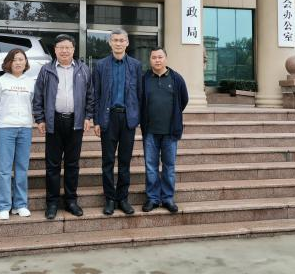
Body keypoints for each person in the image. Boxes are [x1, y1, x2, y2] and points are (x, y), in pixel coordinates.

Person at [33, 34, 94, 220]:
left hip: (76, 122)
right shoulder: (46, 70)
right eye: (61, 47)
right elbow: (38, 96)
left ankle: (71, 201)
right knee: (52, 164)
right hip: (54, 121)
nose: (65, 51)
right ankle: (52, 202)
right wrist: (40, 119)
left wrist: (88, 116)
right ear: (55, 50)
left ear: (73, 49)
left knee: (72, 164)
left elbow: (90, 96)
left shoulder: (83, 69)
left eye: (68, 47)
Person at [92, 29, 142, 216]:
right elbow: (96, 94)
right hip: (108, 118)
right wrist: (97, 120)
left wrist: (137, 117)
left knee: (125, 161)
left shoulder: (136, 65)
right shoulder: (101, 65)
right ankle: (110, 199)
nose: (118, 43)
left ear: (127, 43)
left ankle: (123, 198)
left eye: (122, 40)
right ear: (110, 43)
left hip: (128, 119)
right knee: (108, 161)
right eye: (115, 40)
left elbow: (139, 94)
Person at [140, 47, 188, 214]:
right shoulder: (144, 79)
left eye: (160, 57)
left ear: (166, 58)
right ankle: (152, 199)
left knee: (169, 166)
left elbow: (184, 100)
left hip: (170, 132)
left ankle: (167, 198)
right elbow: (140, 101)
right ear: (150, 60)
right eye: (154, 57)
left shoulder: (176, 78)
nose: (157, 60)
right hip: (150, 131)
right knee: (151, 167)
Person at [0, 48, 35, 220]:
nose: (18, 62)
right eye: (15, 59)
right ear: (9, 62)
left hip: (25, 128)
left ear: (26, 62)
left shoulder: (30, 82)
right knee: (4, 169)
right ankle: (4, 206)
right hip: (6, 128)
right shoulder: (1, 81)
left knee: (22, 168)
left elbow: (33, 103)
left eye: (21, 59)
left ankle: (20, 205)